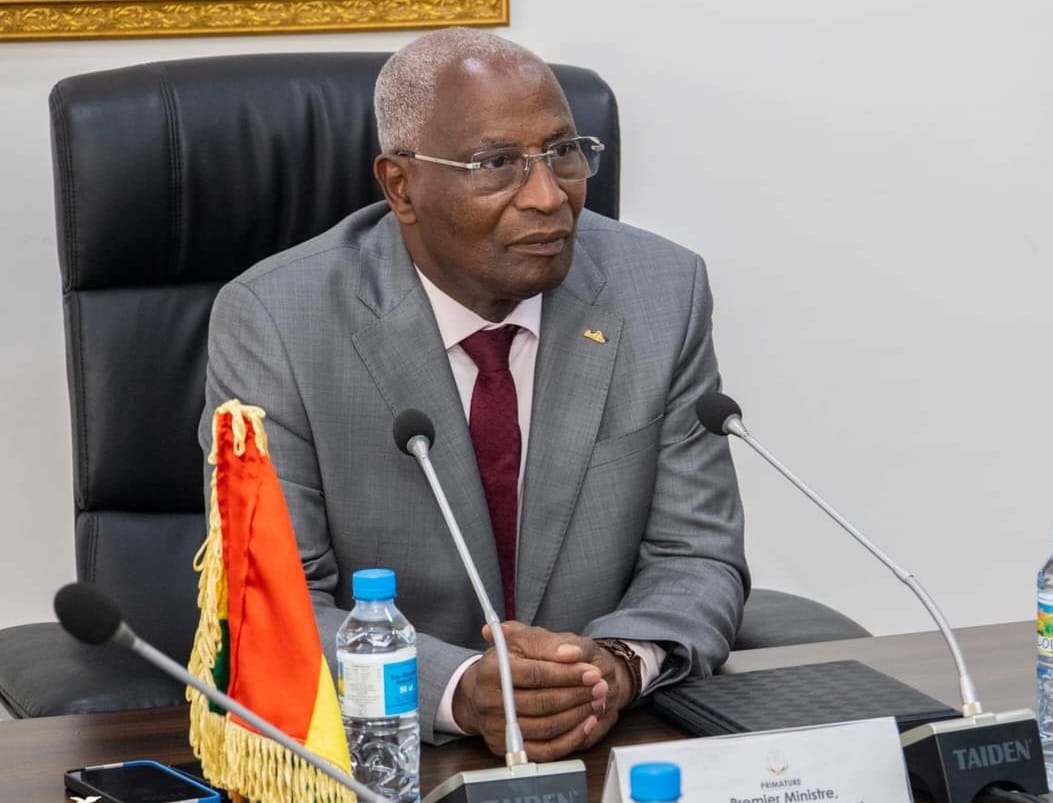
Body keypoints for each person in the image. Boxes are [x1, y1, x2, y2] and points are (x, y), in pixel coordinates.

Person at [200, 27, 748, 761]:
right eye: (496, 164)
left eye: (562, 152)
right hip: (387, 753)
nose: (548, 197)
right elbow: (271, 600)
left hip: (604, 738)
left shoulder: (661, 292)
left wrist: (614, 667)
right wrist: (459, 688)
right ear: (401, 187)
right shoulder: (276, 321)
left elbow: (697, 554)